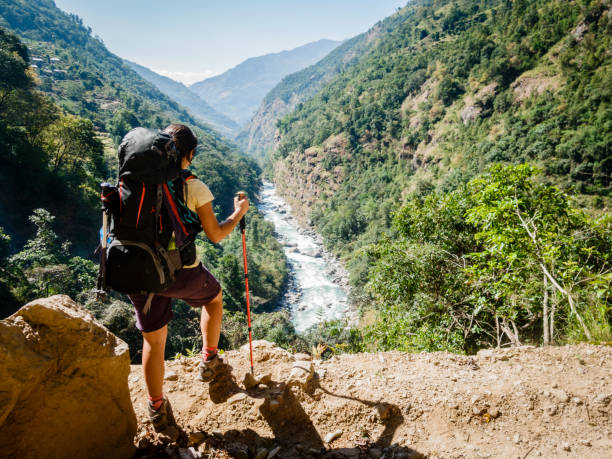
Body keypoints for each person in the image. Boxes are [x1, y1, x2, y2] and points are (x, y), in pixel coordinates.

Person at [127, 123, 249, 438]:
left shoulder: (133, 179)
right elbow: (216, 234)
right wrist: (238, 213)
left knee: (153, 341)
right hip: (177, 272)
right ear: (190, 154)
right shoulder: (193, 186)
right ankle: (209, 360)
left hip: (134, 270)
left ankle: (156, 408)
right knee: (213, 297)